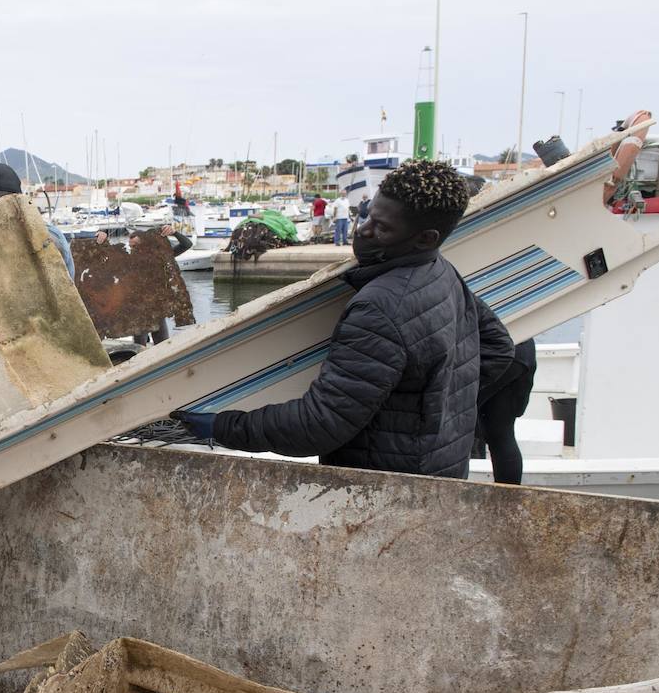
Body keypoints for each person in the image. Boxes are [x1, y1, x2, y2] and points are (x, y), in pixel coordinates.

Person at [172, 159, 514, 479]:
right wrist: (434, 412)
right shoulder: (441, 270)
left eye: (381, 228)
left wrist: (218, 426)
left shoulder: (380, 308)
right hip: (443, 471)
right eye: (366, 217)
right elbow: (499, 348)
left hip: (387, 487)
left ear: (425, 238)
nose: (363, 232)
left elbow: (319, 425)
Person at [475, 339, 537, 484]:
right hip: (522, 350)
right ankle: (509, 497)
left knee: (457, 422)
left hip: (494, 350)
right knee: (501, 434)